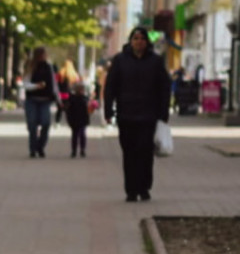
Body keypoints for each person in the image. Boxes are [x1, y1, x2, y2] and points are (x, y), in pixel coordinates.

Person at [103, 27, 171, 202]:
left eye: (142, 38)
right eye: (135, 38)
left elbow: (164, 87)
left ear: (147, 41)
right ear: (130, 41)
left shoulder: (155, 61)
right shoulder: (120, 60)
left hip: (148, 116)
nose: (139, 42)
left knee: (145, 153)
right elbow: (110, 86)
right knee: (129, 153)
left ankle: (144, 187)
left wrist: (163, 113)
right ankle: (131, 189)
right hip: (126, 115)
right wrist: (108, 110)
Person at [23, 47, 57, 158]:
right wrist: (37, 86)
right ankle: (33, 149)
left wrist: (58, 99)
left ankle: (40, 146)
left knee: (46, 123)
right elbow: (26, 84)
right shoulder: (30, 67)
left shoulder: (49, 67)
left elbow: (54, 84)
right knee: (32, 124)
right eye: (42, 54)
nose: (44, 56)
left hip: (45, 100)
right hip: (32, 100)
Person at [66, 80, 92, 158]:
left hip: (82, 120)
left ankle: (82, 149)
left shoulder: (85, 99)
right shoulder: (72, 99)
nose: (82, 91)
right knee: (75, 135)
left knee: (82, 134)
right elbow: (68, 110)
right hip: (74, 120)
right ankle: (74, 150)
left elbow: (89, 109)